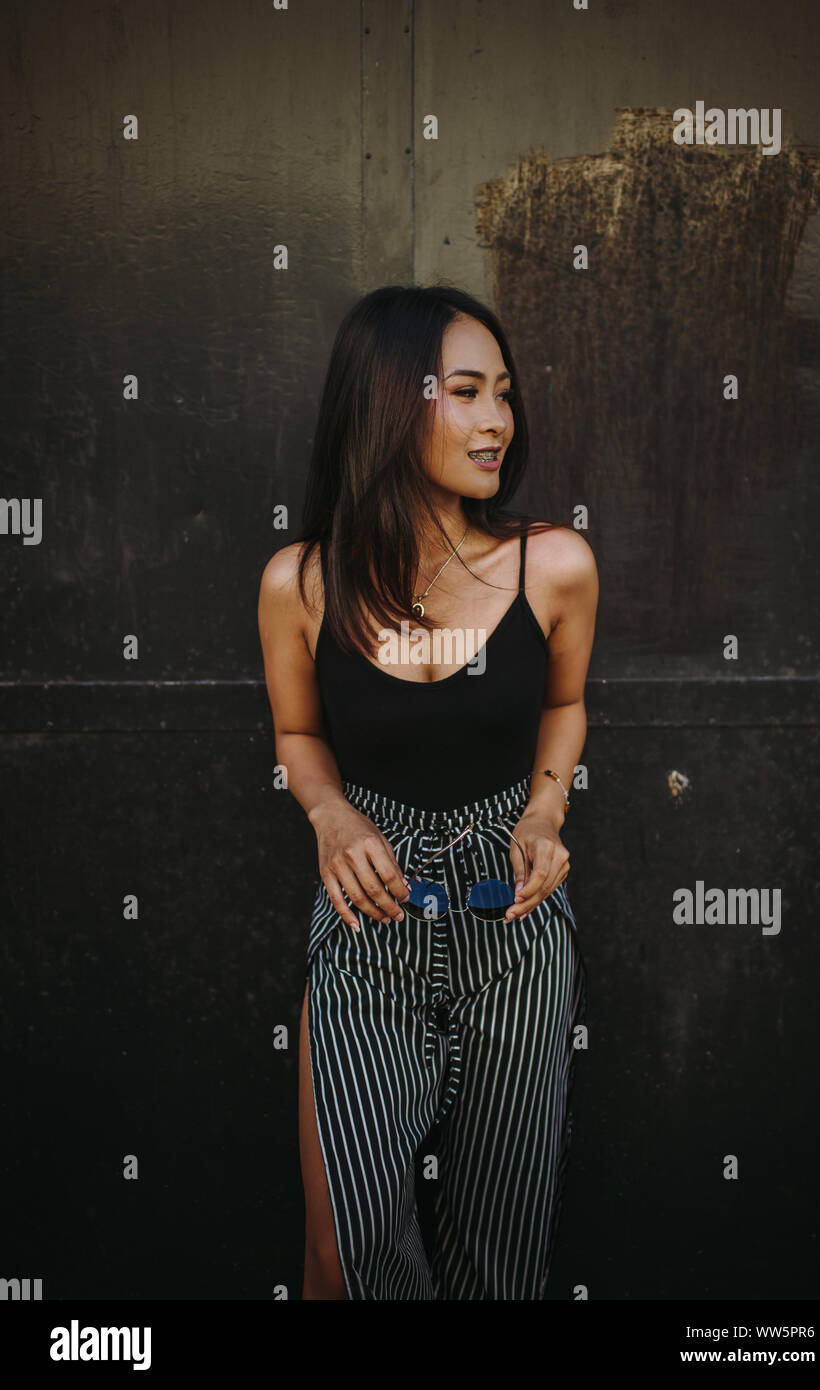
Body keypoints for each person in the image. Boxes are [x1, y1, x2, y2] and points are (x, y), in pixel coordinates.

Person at [257, 284, 598, 1299]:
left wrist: (542, 811)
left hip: (518, 933)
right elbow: (298, 731)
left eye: (502, 392)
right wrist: (330, 812)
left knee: (499, 1259)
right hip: (368, 926)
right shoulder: (301, 584)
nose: (497, 418)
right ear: (386, 402)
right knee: (351, 1256)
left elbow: (566, 708)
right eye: (464, 391)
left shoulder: (554, 564)